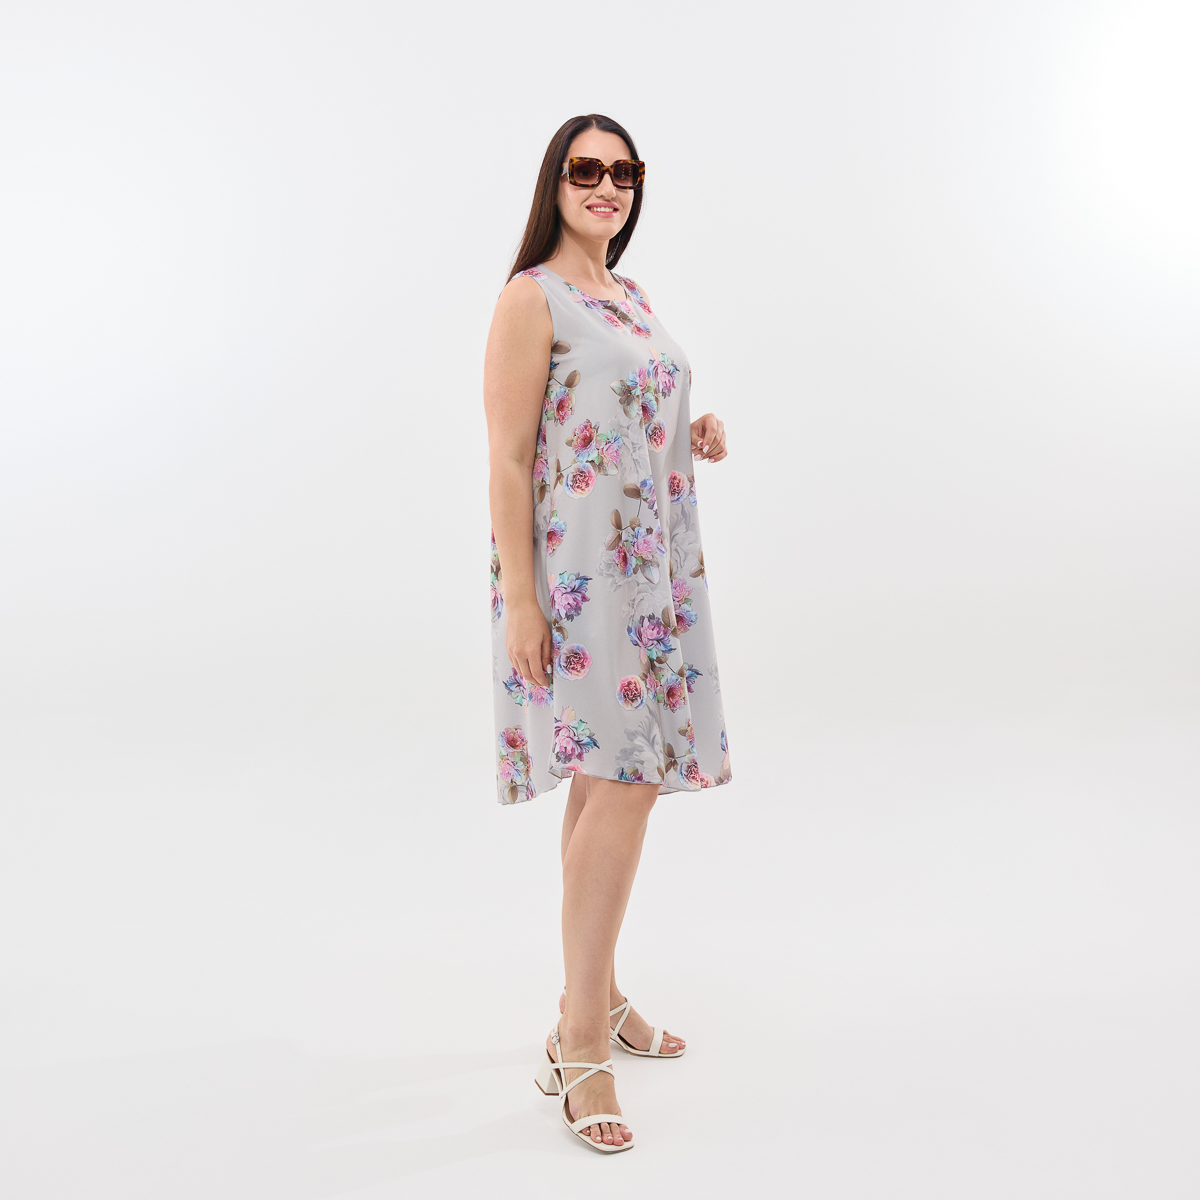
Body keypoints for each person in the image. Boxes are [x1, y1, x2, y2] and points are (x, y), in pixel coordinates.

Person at [483, 113, 733, 1153]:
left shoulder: (628, 295)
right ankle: (580, 1036)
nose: (607, 186)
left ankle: (597, 992)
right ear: (555, 183)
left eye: (623, 172)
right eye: (586, 169)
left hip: (651, 570)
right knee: (625, 780)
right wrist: (525, 604)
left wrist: (693, 428)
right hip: (581, 581)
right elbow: (508, 458)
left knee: (606, 783)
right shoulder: (530, 297)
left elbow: (630, 404)